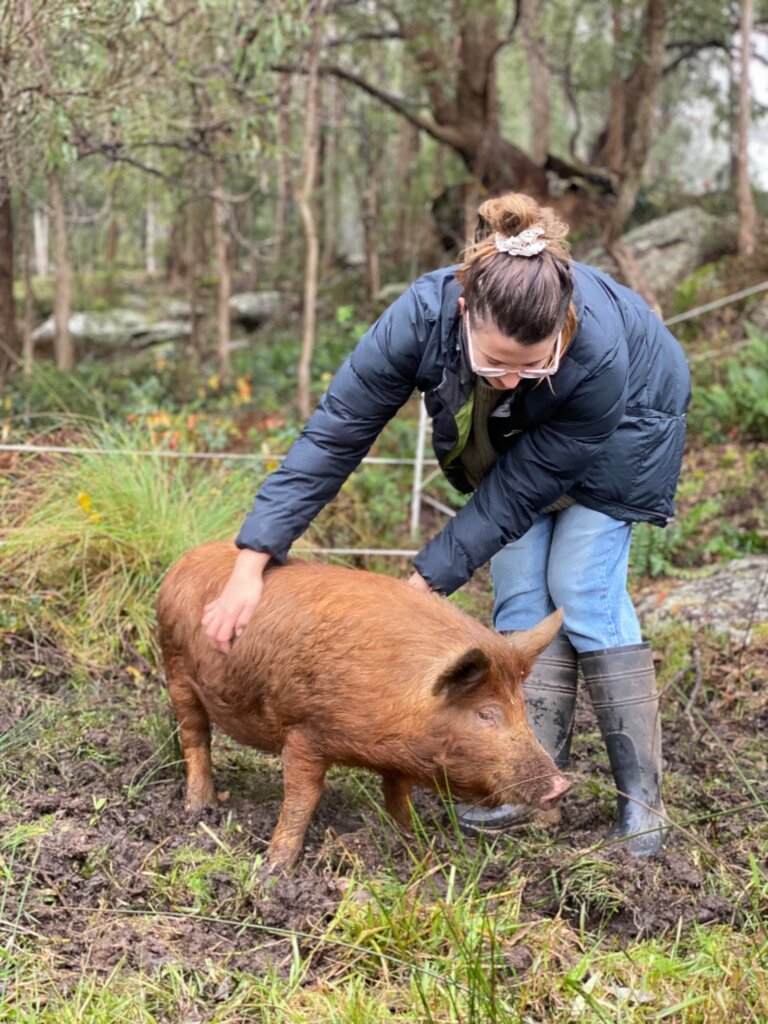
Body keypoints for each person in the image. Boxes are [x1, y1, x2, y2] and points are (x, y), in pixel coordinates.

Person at [202, 192, 691, 858]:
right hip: (526, 434)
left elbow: (522, 488)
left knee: (579, 584)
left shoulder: (597, 357)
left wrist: (420, 585)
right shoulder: (421, 317)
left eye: (533, 365)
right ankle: (525, 784)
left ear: (565, 329)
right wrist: (252, 558)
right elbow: (338, 432)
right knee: (519, 594)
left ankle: (644, 812)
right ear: (464, 316)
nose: (515, 379)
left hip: (632, 420)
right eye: (497, 365)